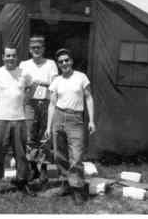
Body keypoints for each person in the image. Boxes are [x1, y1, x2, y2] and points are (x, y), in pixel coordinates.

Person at [0, 44, 35, 196]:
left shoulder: (24, 73)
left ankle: (22, 182)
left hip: (19, 119)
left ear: (17, 57)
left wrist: (25, 100)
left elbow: (32, 87)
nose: (11, 58)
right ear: (3, 57)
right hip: (0, 119)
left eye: (13, 55)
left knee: (21, 154)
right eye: (8, 55)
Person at [45, 48, 96, 205]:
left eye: (67, 60)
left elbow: (89, 98)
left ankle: (78, 190)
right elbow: (52, 104)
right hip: (58, 117)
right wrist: (48, 127)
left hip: (75, 119)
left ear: (71, 61)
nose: (64, 63)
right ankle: (66, 185)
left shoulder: (81, 77)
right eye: (61, 62)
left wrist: (91, 120)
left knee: (76, 156)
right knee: (60, 155)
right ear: (59, 65)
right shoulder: (57, 81)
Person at [19, 35, 58, 183]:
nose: (36, 50)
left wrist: (42, 82)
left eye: (39, 47)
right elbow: (21, 84)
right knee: (30, 136)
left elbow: (55, 85)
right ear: (30, 49)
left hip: (46, 103)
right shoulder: (24, 64)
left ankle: (44, 169)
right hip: (30, 104)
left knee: (45, 137)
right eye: (34, 48)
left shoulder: (51, 64)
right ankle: (33, 168)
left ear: (43, 49)